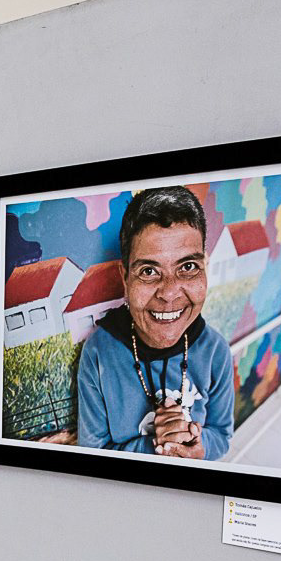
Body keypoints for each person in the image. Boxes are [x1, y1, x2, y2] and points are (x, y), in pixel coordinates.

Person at [75, 186, 234, 460]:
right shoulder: (99, 352)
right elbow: (92, 453)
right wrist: (159, 445)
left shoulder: (216, 351)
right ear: (125, 278)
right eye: (149, 271)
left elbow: (222, 436)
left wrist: (196, 444)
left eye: (187, 267)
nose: (169, 293)